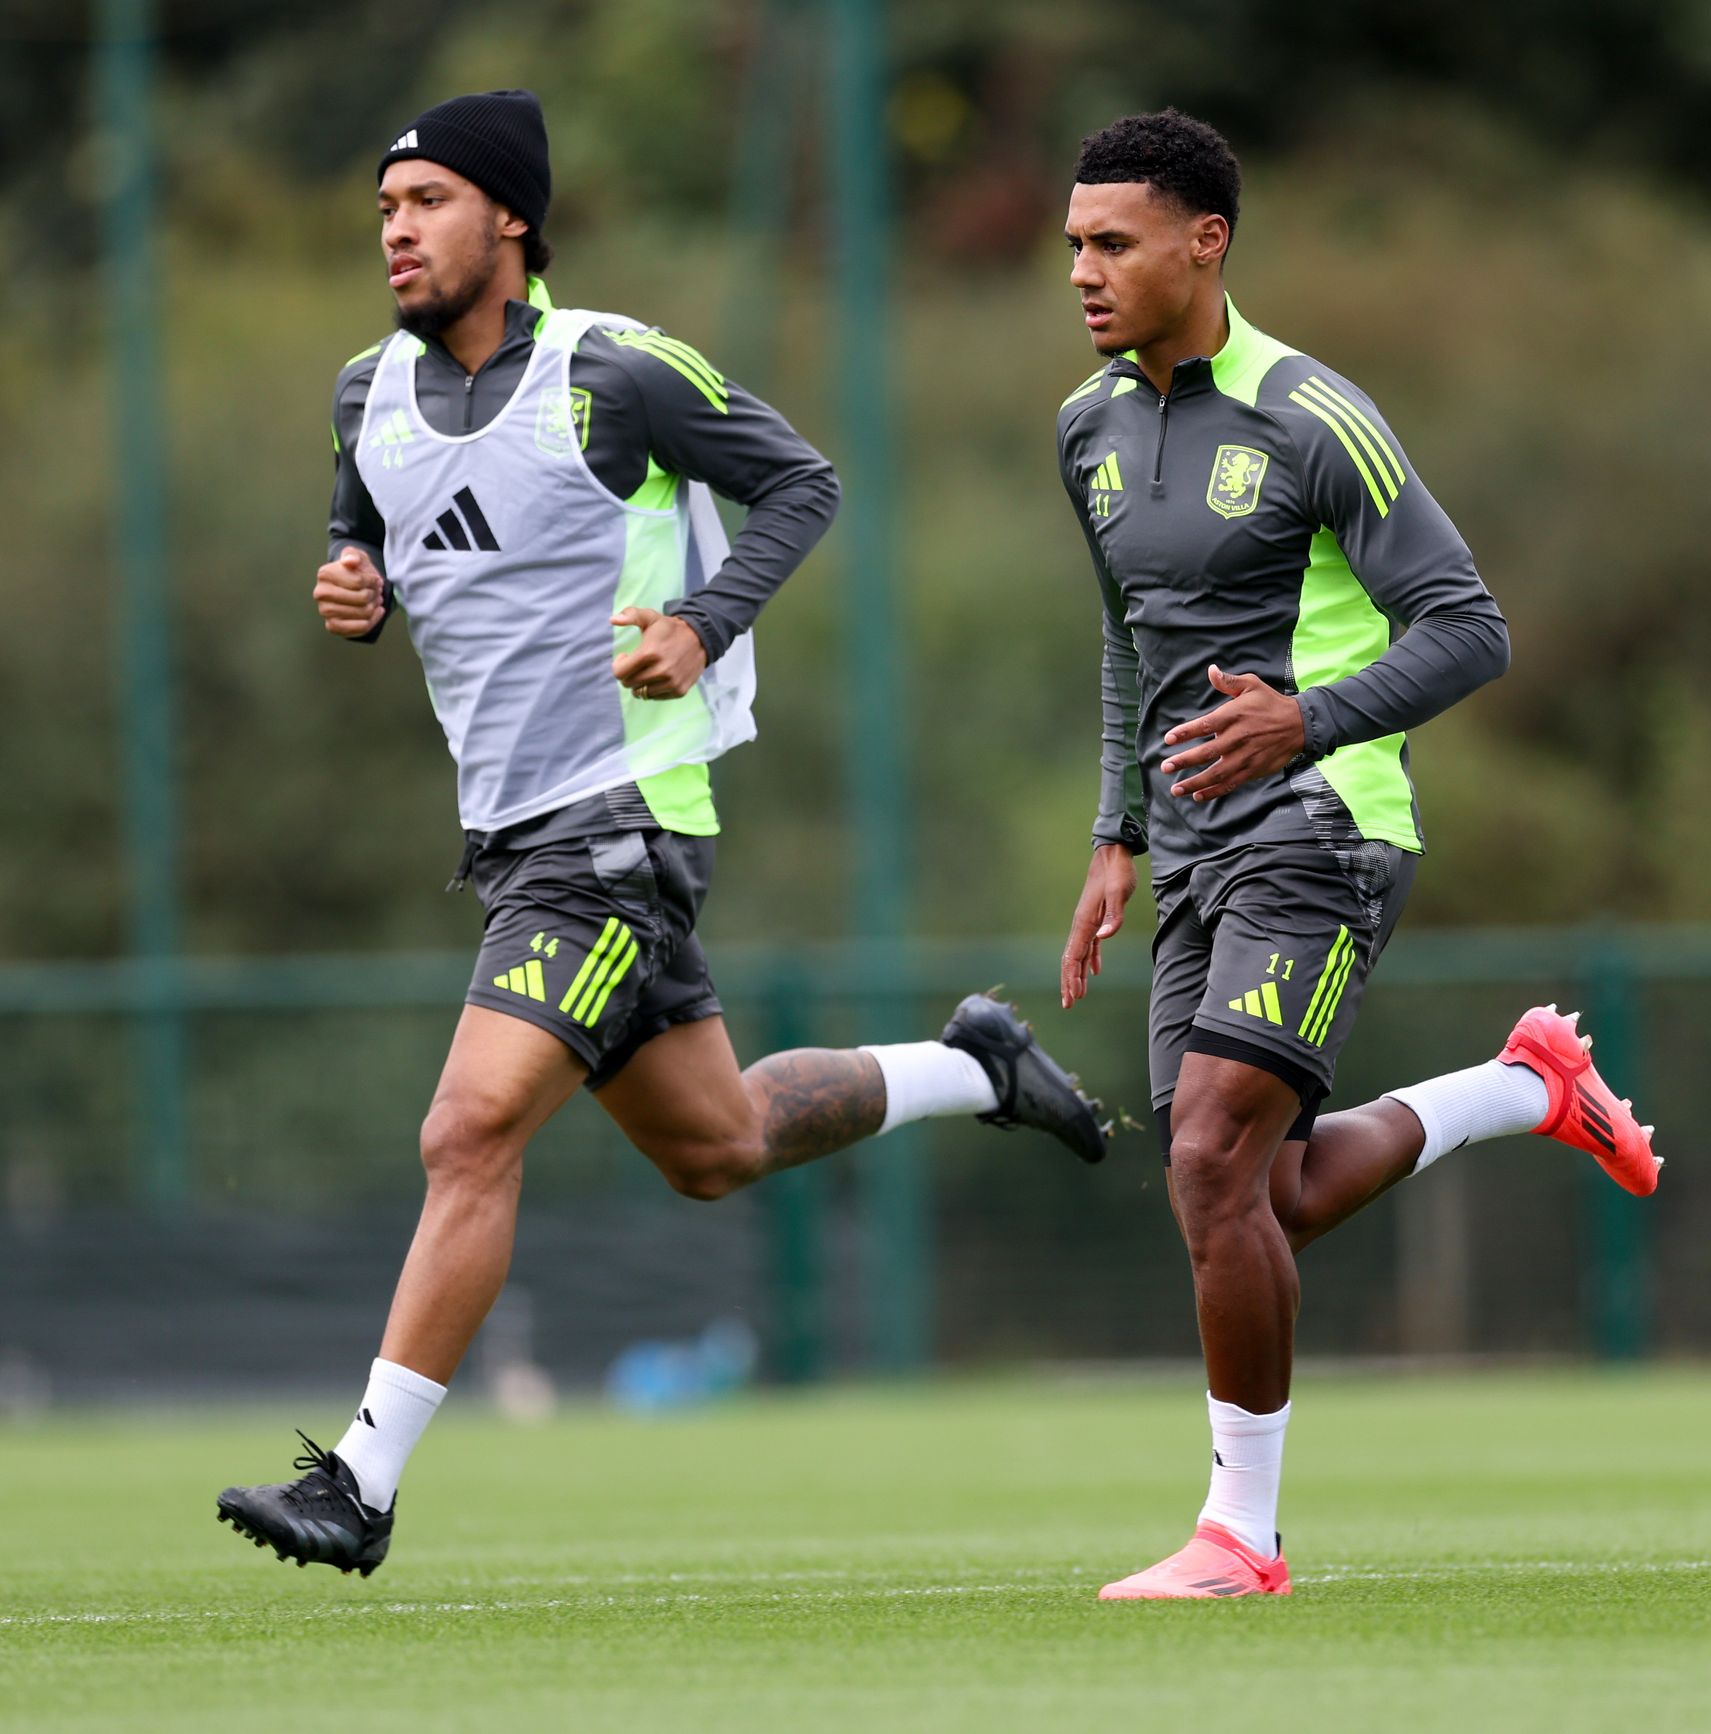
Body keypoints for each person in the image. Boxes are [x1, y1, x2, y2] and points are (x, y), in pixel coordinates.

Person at [215, 89, 1106, 1578]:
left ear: (510, 217)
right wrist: (349, 579)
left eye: (426, 200)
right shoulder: (363, 388)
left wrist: (702, 622)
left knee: (467, 1125)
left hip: (622, 822)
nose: (395, 229)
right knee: (720, 1142)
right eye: (383, 207)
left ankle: (359, 1483)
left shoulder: (611, 373)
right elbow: (359, 519)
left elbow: (803, 480)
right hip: (508, 835)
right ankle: (973, 1064)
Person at [1053, 110, 1660, 1600]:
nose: (1084, 269)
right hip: (1190, 848)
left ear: (1207, 242)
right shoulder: (1087, 427)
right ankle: (1524, 1086)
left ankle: (1238, 1541)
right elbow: (1130, 643)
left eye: (1112, 241)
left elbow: (1471, 627)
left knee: (1208, 1158)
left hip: (1329, 825)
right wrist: (1117, 831)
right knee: (1258, 1193)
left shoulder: (1314, 416)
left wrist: (1307, 723)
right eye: (1073, 243)